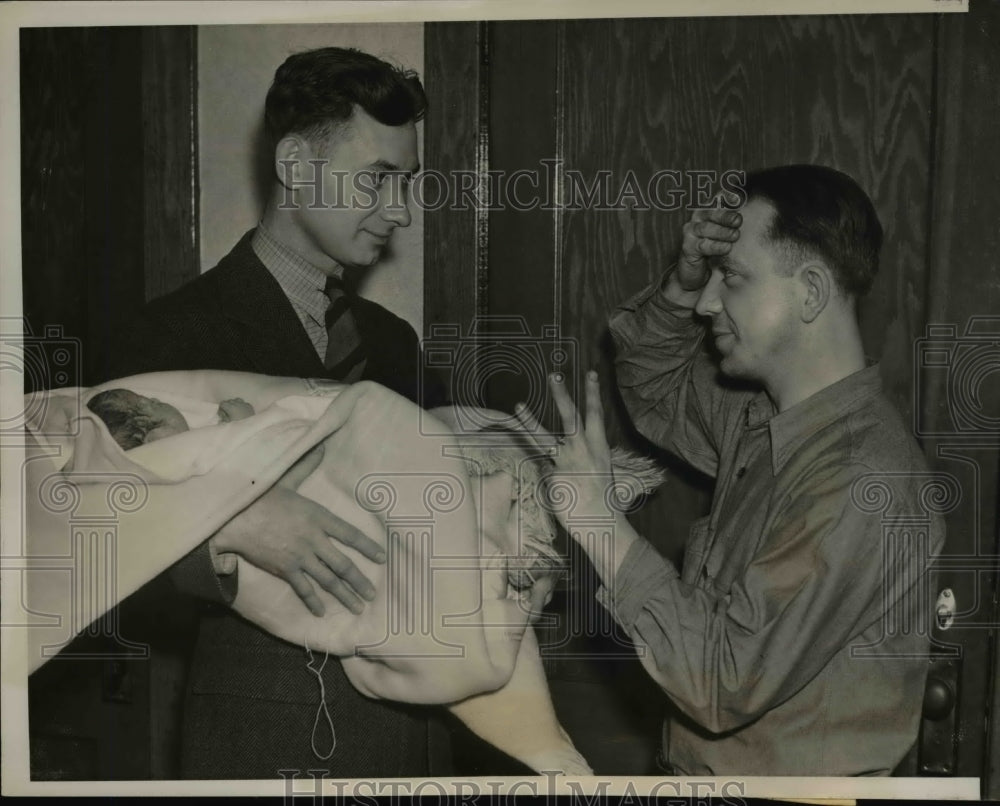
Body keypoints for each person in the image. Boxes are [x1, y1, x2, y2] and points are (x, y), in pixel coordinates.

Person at [516, 165, 945, 775]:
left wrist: (597, 522)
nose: (709, 303)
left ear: (812, 292)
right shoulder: (765, 416)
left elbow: (720, 681)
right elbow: (654, 383)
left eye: (733, 278)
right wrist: (685, 279)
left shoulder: (859, 479)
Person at [98, 47, 450, 778]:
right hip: (262, 737)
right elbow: (105, 537)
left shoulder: (394, 343)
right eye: (380, 179)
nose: (401, 210)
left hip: (417, 737)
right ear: (296, 164)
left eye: (407, 183)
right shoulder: (166, 335)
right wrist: (229, 528)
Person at [87, 388, 255, 449]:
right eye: (153, 405)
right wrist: (241, 423)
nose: (156, 399)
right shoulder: (171, 447)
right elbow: (222, 453)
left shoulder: (184, 438)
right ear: (154, 437)